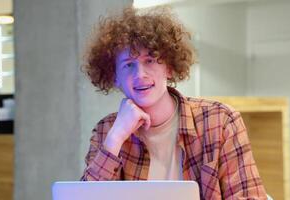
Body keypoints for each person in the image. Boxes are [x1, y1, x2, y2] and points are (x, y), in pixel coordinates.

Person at [80, 6, 267, 199]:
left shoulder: (220, 121)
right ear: (115, 77)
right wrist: (116, 137)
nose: (140, 75)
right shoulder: (107, 130)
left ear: (169, 68)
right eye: (128, 65)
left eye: (150, 60)